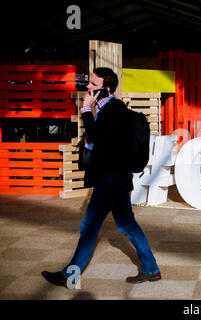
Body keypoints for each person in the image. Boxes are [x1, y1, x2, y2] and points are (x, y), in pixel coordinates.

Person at [42, 68, 161, 288]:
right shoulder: (110, 110)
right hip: (116, 178)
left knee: (89, 227)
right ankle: (151, 269)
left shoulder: (113, 110)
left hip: (111, 180)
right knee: (127, 225)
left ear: (105, 89)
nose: (87, 87)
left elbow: (98, 137)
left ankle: (70, 275)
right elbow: (106, 143)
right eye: (88, 83)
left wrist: (86, 111)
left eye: (92, 85)